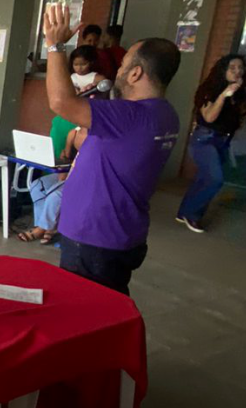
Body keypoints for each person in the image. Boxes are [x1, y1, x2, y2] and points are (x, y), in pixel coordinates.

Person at [44, 4, 180, 295]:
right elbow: (112, 150)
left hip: (95, 237)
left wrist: (55, 45)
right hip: (123, 233)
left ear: (135, 74)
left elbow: (60, 102)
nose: (118, 68)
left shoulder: (128, 115)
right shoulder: (166, 116)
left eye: (124, 63)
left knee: (84, 313)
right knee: (109, 305)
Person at [176, 54, 245, 232]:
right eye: (233, 68)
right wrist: (224, 94)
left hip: (223, 141)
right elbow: (209, 117)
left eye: (240, 68)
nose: (238, 72)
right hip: (204, 139)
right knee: (215, 179)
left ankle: (183, 212)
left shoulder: (240, 94)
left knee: (203, 178)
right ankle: (192, 215)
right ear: (223, 70)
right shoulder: (210, 90)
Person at [19, 125, 87, 244]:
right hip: (69, 171)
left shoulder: (97, 138)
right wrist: (64, 171)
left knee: (55, 195)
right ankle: (46, 226)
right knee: (37, 186)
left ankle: (41, 229)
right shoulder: (74, 133)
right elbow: (67, 158)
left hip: (84, 178)